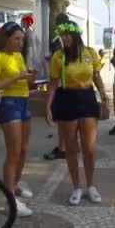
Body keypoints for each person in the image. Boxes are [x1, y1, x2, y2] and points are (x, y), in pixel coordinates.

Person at [46, 20, 109, 205]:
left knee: (89, 148)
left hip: (87, 98)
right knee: (71, 148)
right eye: (62, 35)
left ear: (75, 35)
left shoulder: (89, 53)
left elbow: (96, 76)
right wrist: (48, 106)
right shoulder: (58, 56)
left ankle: (91, 185)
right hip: (66, 99)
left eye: (67, 34)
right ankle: (76, 187)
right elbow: (53, 83)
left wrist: (104, 96)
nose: (64, 38)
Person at [0, 21, 37, 217]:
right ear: (6, 39)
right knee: (14, 152)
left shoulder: (18, 56)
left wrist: (31, 78)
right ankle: (10, 200)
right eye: (16, 39)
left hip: (24, 102)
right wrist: (17, 78)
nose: (20, 42)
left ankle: (14, 185)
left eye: (22, 39)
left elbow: (23, 79)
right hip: (9, 105)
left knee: (24, 149)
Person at [43, 12, 70, 160]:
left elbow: (56, 59)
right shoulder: (76, 40)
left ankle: (62, 148)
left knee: (62, 119)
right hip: (71, 83)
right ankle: (68, 145)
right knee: (69, 119)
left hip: (60, 84)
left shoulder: (56, 39)